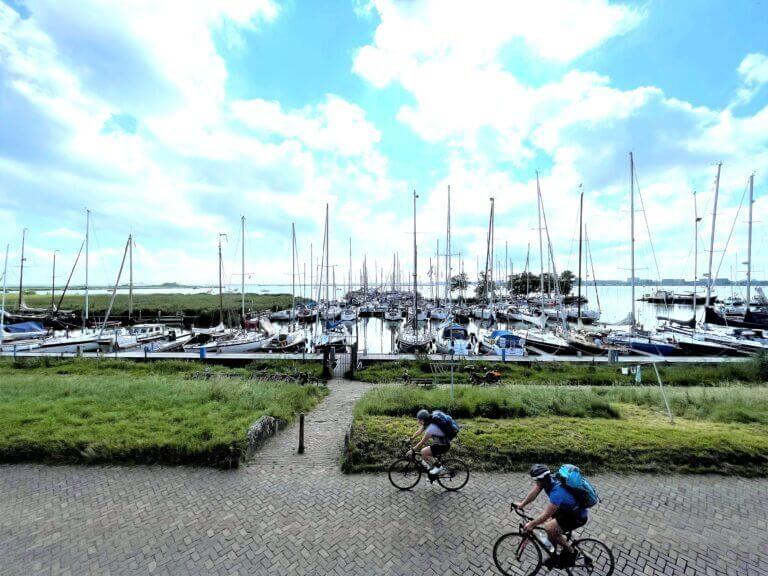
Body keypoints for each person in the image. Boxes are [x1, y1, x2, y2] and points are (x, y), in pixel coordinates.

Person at [513, 464, 587, 569]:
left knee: (549, 528)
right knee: (549, 525)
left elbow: (546, 514)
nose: (536, 482)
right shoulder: (548, 481)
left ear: (541, 479)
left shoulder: (557, 492)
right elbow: (534, 493)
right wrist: (522, 504)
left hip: (576, 516)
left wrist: (532, 524)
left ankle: (571, 552)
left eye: (536, 480)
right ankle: (553, 555)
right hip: (566, 510)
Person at [406, 409, 449, 476]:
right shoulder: (427, 423)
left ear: (423, 420)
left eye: (419, 420)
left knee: (424, 452)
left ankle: (439, 467)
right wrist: (410, 439)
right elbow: (419, 431)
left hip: (443, 445)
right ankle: (432, 471)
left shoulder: (431, 427)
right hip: (439, 443)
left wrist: (412, 450)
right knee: (426, 453)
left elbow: (422, 442)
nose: (418, 421)